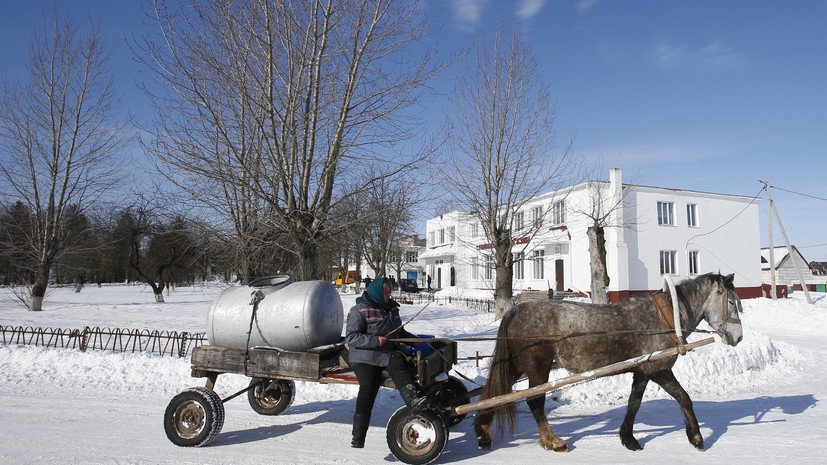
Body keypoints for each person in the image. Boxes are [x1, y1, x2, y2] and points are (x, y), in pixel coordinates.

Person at [345, 277, 427, 448]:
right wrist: (375, 341)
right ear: (377, 292)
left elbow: (399, 331)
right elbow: (352, 338)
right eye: (386, 292)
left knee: (399, 363)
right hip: (364, 356)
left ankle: (413, 400)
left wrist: (413, 340)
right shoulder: (359, 310)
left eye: (390, 291)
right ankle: (358, 436)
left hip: (386, 352)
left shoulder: (391, 309)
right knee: (369, 384)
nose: (389, 295)